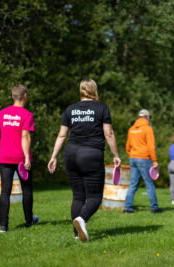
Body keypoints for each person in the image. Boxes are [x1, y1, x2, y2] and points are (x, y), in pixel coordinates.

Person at [47, 78, 121, 242]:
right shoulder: (102, 108)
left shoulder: (70, 109)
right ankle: (82, 219)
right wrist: (116, 155)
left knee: (78, 197)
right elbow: (109, 134)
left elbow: (61, 135)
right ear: (94, 90)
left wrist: (54, 156)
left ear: (81, 90)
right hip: (91, 155)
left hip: (70, 155)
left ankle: (76, 234)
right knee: (95, 197)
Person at [0, 85, 39, 233]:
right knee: (26, 189)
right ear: (25, 95)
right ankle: (28, 221)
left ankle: (3, 226)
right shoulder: (27, 115)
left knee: (5, 191)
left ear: (13, 96)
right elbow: (25, 136)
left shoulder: (2, 113)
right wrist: (27, 157)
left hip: (4, 157)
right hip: (20, 158)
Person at [124, 109, 162, 214]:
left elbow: (127, 147)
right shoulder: (148, 129)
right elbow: (151, 146)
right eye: (150, 117)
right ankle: (154, 208)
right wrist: (154, 160)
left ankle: (127, 208)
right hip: (144, 158)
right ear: (147, 117)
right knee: (149, 183)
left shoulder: (131, 129)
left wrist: (133, 155)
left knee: (132, 184)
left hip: (133, 158)